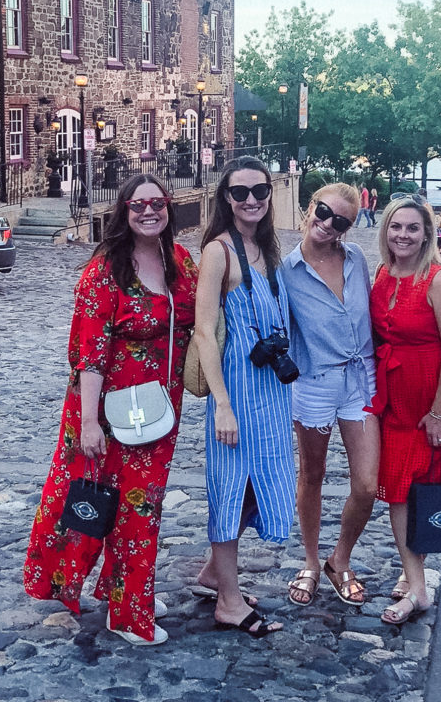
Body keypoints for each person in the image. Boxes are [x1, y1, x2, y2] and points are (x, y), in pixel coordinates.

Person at [23, 174, 198, 646]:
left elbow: (202, 318)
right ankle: (128, 615)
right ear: (123, 211)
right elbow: (90, 352)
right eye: (137, 204)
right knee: (111, 504)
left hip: (158, 407)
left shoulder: (179, 260)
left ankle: (125, 589)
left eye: (156, 203)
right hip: (105, 409)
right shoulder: (103, 271)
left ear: (168, 208)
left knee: (141, 505)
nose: (148, 211)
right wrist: (88, 424)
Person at [367, 199, 441, 624]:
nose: (403, 235)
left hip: (436, 399)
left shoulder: (439, 280)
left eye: (412, 228)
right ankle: (416, 583)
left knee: (427, 483)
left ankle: (415, 581)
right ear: (385, 231)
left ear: (427, 234)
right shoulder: (382, 273)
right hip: (395, 398)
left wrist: (438, 412)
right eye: (395, 227)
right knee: (396, 485)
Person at [193, 157, 296, 638]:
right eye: (240, 193)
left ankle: (215, 574)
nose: (251, 199)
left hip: (271, 393)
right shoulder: (219, 252)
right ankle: (228, 603)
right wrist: (223, 404)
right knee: (231, 487)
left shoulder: (269, 249)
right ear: (226, 199)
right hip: (236, 389)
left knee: (260, 481)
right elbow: (205, 333)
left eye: (259, 190)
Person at [282, 184, 379, 608]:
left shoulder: (356, 259)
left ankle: (339, 559)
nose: (327, 224)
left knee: (367, 484)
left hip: (361, 381)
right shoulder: (286, 270)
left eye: (340, 221)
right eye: (323, 212)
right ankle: (308, 560)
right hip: (315, 382)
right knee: (312, 475)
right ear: (310, 207)